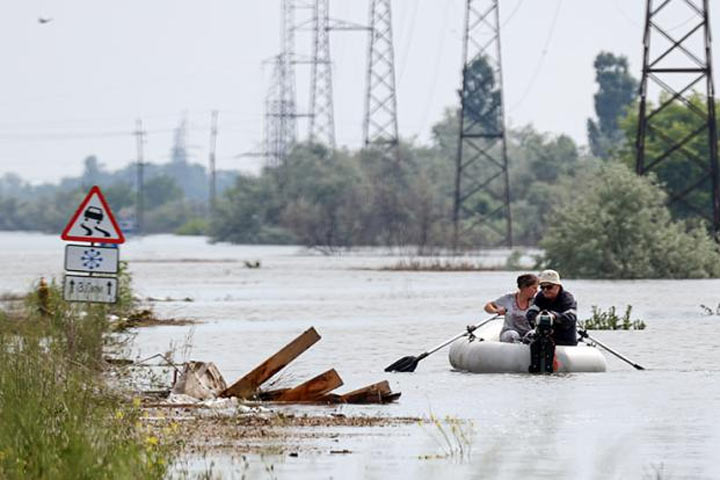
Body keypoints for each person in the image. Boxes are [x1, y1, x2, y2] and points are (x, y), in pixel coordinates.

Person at [525, 269, 578, 346]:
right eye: (542, 287)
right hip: (543, 340)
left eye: (549, 287)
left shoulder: (567, 298)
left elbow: (571, 317)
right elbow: (530, 313)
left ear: (558, 286)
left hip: (564, 341)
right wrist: (538, 317)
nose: (545, 290)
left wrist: (554, 317)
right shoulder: (540, 296)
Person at [484, 273, 539, 343]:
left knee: (533, 334)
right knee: (512, 335)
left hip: (527, 333)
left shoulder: (535, 301)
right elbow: (488, 306)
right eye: (534, 288)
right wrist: (496, 311)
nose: (536, 291)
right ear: (524, 287)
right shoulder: (508, 298)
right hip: (509, 332)